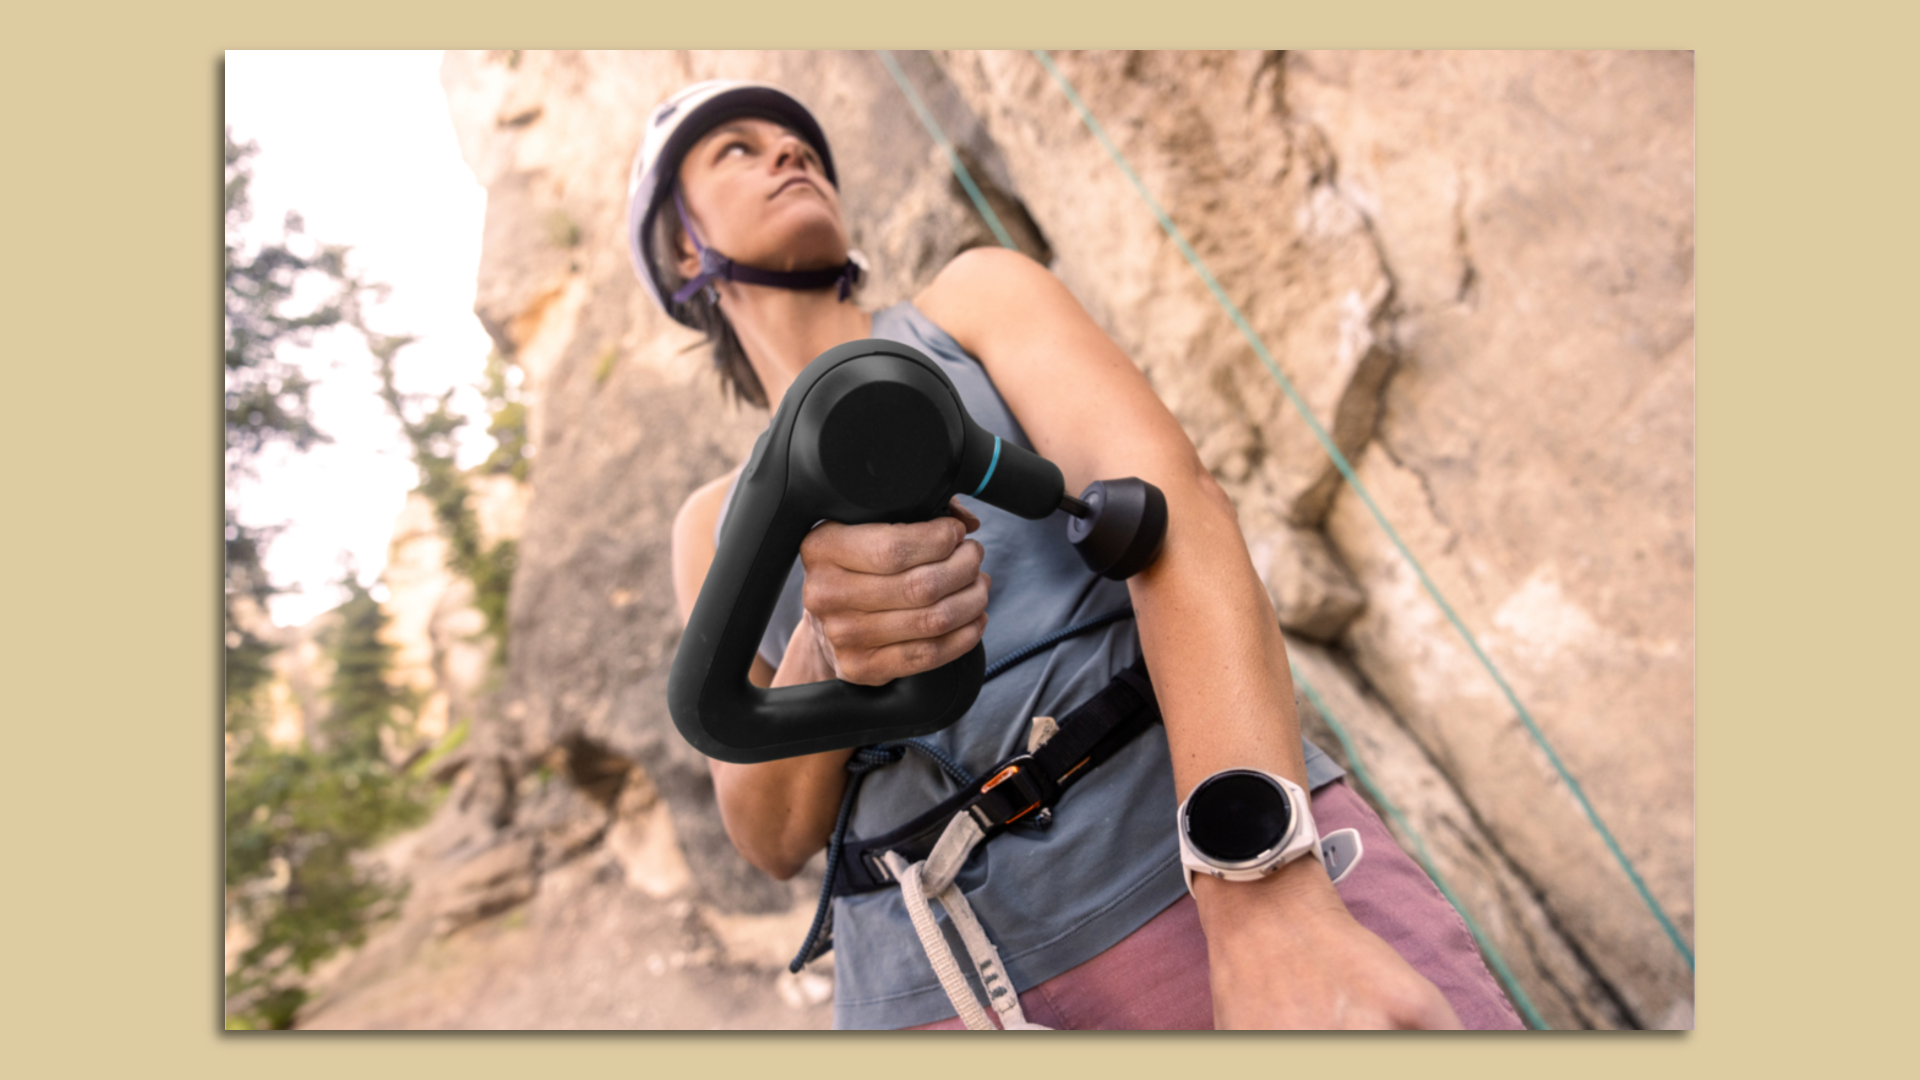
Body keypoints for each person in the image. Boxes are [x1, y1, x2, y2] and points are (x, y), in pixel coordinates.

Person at [633, 79, 1523, 1030]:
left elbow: (1173, 513)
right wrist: (828, 646)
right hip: (922, 987)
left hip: (1174, 870)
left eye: (799, 141)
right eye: (737, 148)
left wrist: (1262, 890)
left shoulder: (973, 302)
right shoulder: (712, 526)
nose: (789, 153)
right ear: (685, 246)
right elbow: (767, 834)